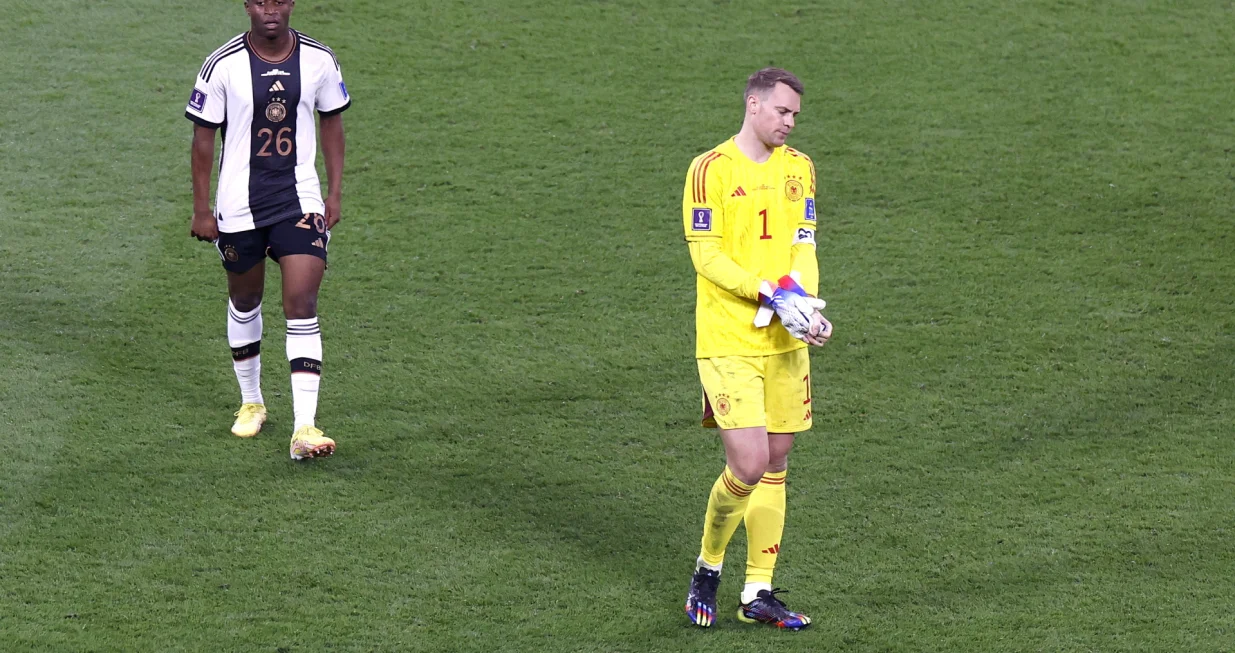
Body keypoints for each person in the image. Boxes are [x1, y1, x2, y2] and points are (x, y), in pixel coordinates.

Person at [681, 67, 832, 630]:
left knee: (777, 458)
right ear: (753, 105)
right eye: (782, 112)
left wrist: (805, 305)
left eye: (795, 115)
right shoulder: (710, 170)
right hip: (727, 340)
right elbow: (707, 256)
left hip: (783, 340)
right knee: (746, 462)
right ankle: (709, 566)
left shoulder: (801, 169)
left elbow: (803, 242)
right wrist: (767, 291)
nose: (790, 123)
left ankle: (757, 592)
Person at [186, 0, 350, 460]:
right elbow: (203, 140)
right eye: (261, 1)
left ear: (291, 4)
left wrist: (334, 193)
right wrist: (202, 210)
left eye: (278, 1)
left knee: (302, 299)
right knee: (245, 299)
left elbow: (332, 122)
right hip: (239, 203)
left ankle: (305, 428)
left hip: (298, 197)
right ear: (247, 7)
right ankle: (252, 401)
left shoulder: (319, 59)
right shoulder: (222, 64)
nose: (270, 10)